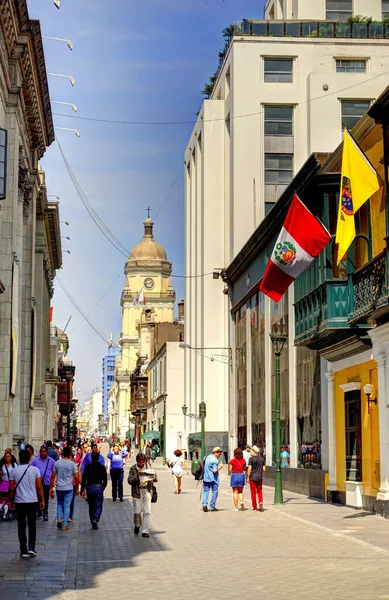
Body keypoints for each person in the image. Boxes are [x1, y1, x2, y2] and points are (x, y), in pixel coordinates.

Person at [9, 449, 44, 558]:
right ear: (29, 458)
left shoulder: (14, 471)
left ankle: (23, 550)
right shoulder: (35, 470)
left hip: (19, 501)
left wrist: (10, 501)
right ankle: (32, 548)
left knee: (21, 526)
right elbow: (39, 487)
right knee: (32, 525)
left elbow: (11, 488)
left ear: (19, 459)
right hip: (32, 501)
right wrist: (42, 500)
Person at [127, 452, 158, 538]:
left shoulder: (148, 467)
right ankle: (137, 525)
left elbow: (155, 479)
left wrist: (154, 478)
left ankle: (145, 531)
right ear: (137, 461)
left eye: (143, 462)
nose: (141, 464)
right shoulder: (133, 468)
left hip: (147, 490)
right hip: (137, 492)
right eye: (140, 462)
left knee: (147, 512)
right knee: (137, 511)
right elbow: (129, 481)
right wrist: (137, 475)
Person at [50, 446, 79, 531]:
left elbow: (53, 476)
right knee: (67, 505)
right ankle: (65, 524)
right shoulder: (72, 464)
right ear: (70, 454)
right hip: (69, 487)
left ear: (62, 453)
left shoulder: (57, 463)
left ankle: (59, 518)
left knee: (59, 503)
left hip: (59, 487)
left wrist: (51, 487)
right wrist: (77, 487)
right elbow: (76, 477)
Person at [81, 451, 107, 530]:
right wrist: (102, 488)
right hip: (98, 487)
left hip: (90, 487)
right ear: (98, 458)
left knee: (91, 505)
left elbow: (83, 479)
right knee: (98, 505)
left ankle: (92, 519)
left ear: (91, 458)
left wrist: (82, 490)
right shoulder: (102, 467)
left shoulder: (87, 467)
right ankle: (95, 519)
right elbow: (105, 480)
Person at [31, 445, 56, 521]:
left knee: (45, 498)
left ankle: (45, 513)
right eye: (41, 452)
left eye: (44, 452)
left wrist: (52, 485)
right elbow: (30, 469)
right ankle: (39, 512)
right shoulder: (35, 461)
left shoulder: (51, 461)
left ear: (47, 452)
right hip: (37, 483)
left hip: (47, 483)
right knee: (38, 497)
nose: (42, 453)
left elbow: (53, 473)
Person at [202, 447, 223, 512]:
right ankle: (212, 506)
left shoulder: (207, 457)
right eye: (219, 454)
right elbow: (214, 471)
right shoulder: (215, 460)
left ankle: (204, 504)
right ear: (216, 453)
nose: (220, 455)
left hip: (206, 477)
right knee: (214, 492)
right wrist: (220, 467)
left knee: (206, 491)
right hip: (213, 479)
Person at [247, 445, 266, 512]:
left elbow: (249, 468)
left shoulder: (251, 459)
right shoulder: (262, 459)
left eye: (251, 451)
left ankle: (254, 507)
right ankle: (260, 501)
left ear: (254, 451)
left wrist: (248, 476)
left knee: (253, 492)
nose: (250, 452)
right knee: (259, 491)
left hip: (252, 477)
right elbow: (264, 469)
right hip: (259, 477)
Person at [0, 450, 15, 520]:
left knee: (10, 498)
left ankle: (8, 511)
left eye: (8, 456)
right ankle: (3, 511)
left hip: (11, 484)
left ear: (11, 457)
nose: (7, 458)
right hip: (4, 484)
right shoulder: (2, 466)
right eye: (6, 456)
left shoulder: (14, 465)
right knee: (3, 498)